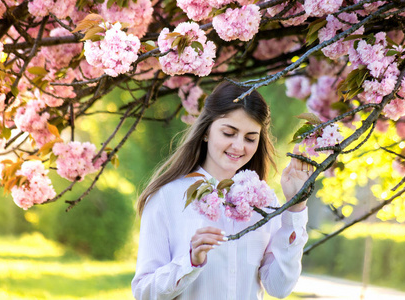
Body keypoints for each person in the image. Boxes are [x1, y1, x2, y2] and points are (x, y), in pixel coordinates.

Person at [132, 81, 313, 300]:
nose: (239, 146)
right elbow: (144, 292)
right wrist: (190, 261)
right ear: (207, 131)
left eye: (250, 138)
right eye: (229, 133)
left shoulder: (264, 201)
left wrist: (295, 208)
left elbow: (279, 287)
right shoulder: (166, 197)